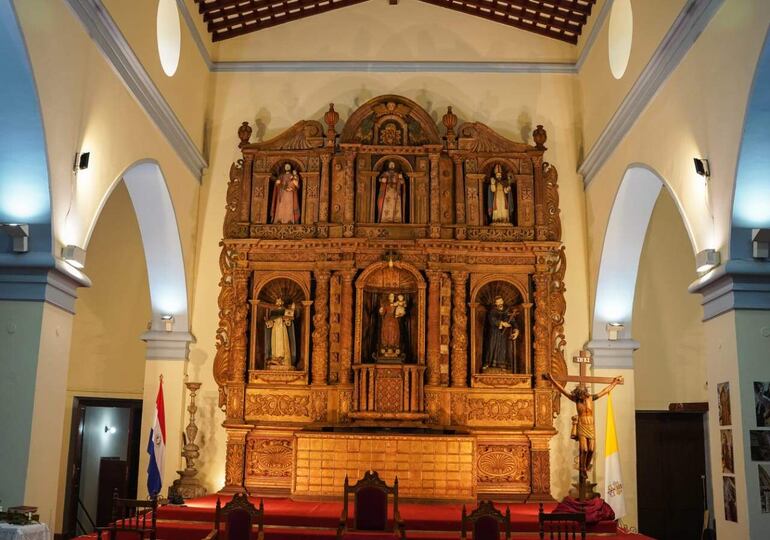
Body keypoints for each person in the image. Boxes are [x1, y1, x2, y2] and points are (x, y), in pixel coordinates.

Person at [546, 373, 623, 475]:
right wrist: (552, 380)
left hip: (590, 426)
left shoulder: (591, 398)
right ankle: (582, 468)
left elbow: (605, 391)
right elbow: (562, 390)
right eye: (580, 396)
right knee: (584, 449)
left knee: (591, 449)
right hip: (582, 425)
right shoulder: (576, 399)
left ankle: (585, 467)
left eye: (583, 395)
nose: (582, 398)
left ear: (585, 393)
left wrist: (614, 383)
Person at [482, 296, 519, 372]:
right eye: (498, 302)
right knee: (492, 347)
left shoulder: (507, 311)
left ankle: (503, 365)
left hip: (504, 334)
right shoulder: (492, 311)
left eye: (501, 301)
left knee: (503, 349)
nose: (500, 303)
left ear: (503, 301)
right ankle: (489, 363)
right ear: (495, 303)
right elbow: (492, 320)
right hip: (494, 333)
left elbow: (513, 321)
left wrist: (516, 331)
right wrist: (502, 323)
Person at [264, 298, 296, 368]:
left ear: (282, 302)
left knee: (283, 344)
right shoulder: (273, 312)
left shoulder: (285, 311)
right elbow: (271, 323)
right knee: (275, 344)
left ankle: (284, 361)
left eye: (279, 301)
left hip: (282, 330)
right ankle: (275, 360)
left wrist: (287, 319)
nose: (278, 302)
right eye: (277, 301)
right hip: (275, 331)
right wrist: (268, 322)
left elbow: (289, 323)